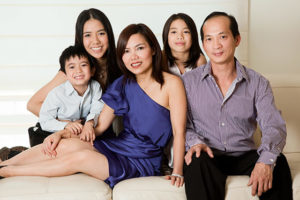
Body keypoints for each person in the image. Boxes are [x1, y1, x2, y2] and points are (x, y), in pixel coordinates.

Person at [0, 23, 186, 189]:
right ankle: (3, 164)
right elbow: (99, 127)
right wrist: (61, 133)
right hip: (119, 146)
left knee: (81, 158)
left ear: (153, 49)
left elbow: (179, 132)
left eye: (139, 48)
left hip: (144, 159)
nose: (133, 57)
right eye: (126, 51)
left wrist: (177, 170)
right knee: (67, 145)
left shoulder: (171, 84)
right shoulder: (122, 84)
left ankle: (8, 173)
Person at [183, 11, 292, 200]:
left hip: (244, 154)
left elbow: (274, 126)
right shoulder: (188, 82)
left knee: (278, 161)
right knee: (196, 160)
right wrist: (195, 143)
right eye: (209, 39)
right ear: (203, 44)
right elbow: (182, 125)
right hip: (207, 155)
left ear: (237, 39)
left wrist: (266, 160)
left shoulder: (258, 83)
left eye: (223, 37)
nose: (216, 45)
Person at [27, 8, 121, 116]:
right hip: (76, 131)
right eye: (87, 35)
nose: (95, 41)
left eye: (101, 33)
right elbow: (33, 104)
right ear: (80, 38)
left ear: (109, 34)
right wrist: (65, 124)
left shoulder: (122, 63)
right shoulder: (73, 71)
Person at [161, 13, 207, 171]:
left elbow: (202, 93)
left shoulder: (199, 60)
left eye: (185, 32)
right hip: (169, 113)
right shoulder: (161, 59)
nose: (179, 36)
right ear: (166, 36)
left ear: (193, 36)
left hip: (193, 112)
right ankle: (169, 163)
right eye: (173, 32)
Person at [38, 45, 103, 143]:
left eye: (83, 65)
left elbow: (97, 108)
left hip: (80, 131)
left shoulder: (95, 86)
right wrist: (66, 125)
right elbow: (45, 121)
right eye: (72, 67)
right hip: (54, 131)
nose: (78, 71)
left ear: (92, 70)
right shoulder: (57, 94)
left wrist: (89, 123)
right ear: (65, 74)